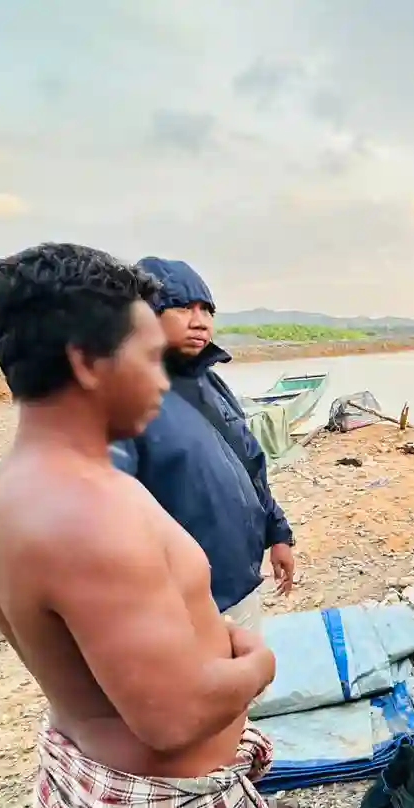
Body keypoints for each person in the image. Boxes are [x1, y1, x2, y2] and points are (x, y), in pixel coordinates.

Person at [0, 243, 302, 808]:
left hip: (106, 778)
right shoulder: (85, 511)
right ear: (86, 362)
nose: (159, 377)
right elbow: (173, 720)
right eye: (148, 358)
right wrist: (258, 662)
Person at [110, 257, 295, 632]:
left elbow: (250, 462)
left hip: (240, 582)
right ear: (144, 315)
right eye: (182, 307)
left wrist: (278, 534)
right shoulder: (127, 399)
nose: (200, 321)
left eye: (207, 309)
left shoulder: (210, 383)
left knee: (250, 684)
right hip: (183, 605)